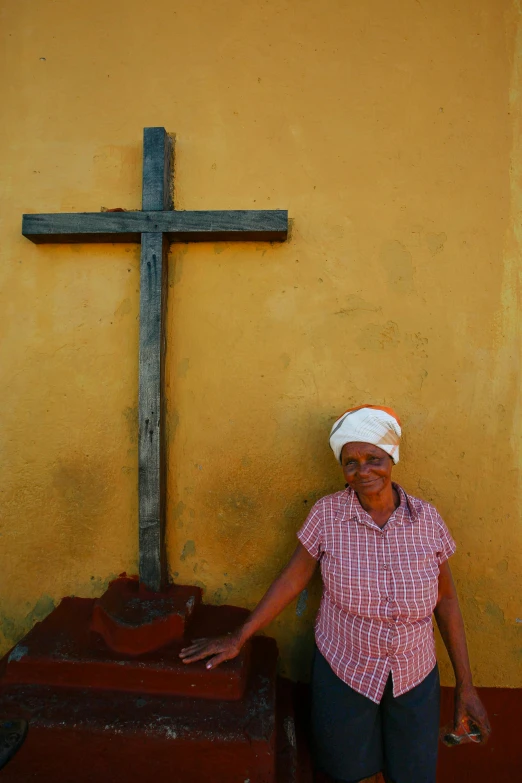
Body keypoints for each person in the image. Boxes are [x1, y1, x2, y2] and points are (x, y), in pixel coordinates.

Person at [180, 405, 490, 783]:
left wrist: (466, 684)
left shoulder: (427, 520)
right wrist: (239, 636)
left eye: (373, 458)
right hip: (346, 672)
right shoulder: (328, 516)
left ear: (391, 457)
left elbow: (447, 601)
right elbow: (292, 581)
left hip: (415, 675)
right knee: (345, 773)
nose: (363, 472)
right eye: (351, 463)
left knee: (413, 775)